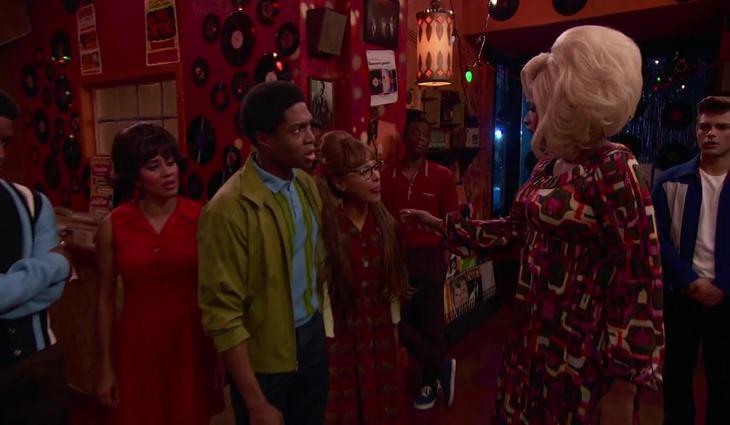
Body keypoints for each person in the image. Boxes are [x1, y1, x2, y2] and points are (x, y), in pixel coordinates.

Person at [401, 26, 664, 424]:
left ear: (571, 104)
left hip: (580, 352)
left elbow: (640, 276)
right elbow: (514, 231)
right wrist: (441, 225)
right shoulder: (547, 165)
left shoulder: (613, 165)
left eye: (536, 107)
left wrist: (625, 385)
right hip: (531, 338)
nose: (527, 118)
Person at [198, 81, 328, 425]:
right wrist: (255, 402)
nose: (311, 138)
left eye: (310, 126)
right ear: (265, 139)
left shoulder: (306, 185)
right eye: (296, 130)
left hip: (311, 339)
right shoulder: (227, 209)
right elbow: (222, 313)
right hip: (265, 359)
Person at [95, 123, 223, 424]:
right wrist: (105, 367)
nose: (168, 173)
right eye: (154, 166)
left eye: (170, 162)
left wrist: (221, 352)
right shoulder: (114, 225)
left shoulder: (202, 218)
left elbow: (218, 291)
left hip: (190, 343)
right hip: (137, 345)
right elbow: (104, 300)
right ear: (134, 176)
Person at [317, 131, 410, 424]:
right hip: (341, 338)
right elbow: (322, 294)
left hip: (381, 334)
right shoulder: (328, 228)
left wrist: (394, 332)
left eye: (375, 167)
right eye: (364, 171)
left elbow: (392, 287)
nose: (376, 177)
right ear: (339, 182)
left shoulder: (385, 225)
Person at [653, 96, 730, 425]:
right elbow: (657, 240)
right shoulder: (670, 181)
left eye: (722, 127)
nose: (711, 133)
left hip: (727, 299)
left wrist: (722, 286)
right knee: (676, 382)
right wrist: (690, 281)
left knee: (724, 386)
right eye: (704, 126)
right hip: (683, 297)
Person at [0, 89, 71, 424]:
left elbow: (53, 292)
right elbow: (54, 273)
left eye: (5, 142)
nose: (1, 154)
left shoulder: (33, 203)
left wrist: (12, 288)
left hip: (37, 366)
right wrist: (56, 264)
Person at [381, 112, 458, 410]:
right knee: (398, 322)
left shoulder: (442, 175)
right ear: (404, 137)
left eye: (426, 134)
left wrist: (445, 261)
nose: (422, 139)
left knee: (432, 323)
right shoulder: (386, 175)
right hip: (397, 258)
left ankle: (429, 382)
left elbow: (450, 222)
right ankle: (441, 365)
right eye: (415, 133)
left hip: (430, 257)